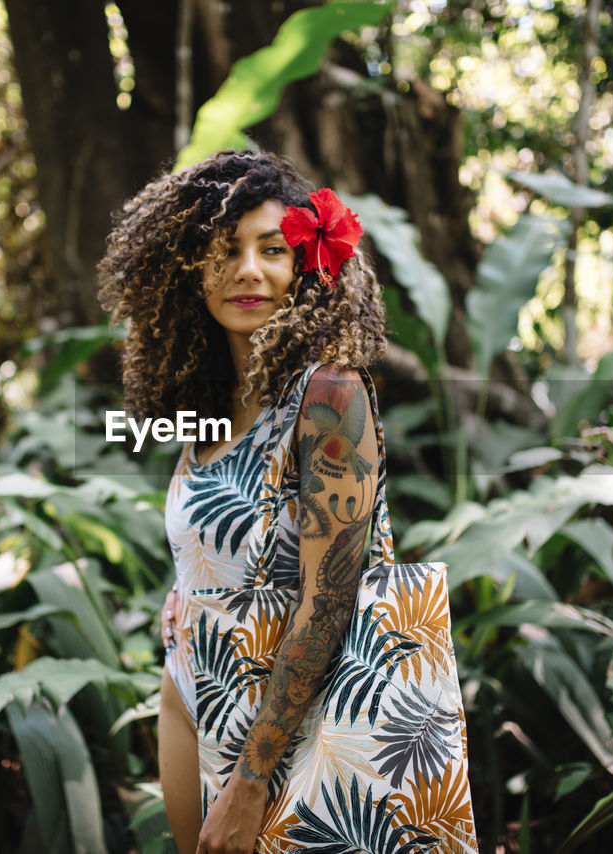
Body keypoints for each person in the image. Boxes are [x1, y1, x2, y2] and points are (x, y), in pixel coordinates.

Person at [97, 150, 391, 854]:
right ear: (188, 270)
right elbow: (217, 537)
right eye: (224, 251)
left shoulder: (329, 395)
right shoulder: (201, 404)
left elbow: (330, 601)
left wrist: (252, 780)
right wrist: (187, 590)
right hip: (189, 696)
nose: (248, 271)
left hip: (289, 729)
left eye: (272, 250)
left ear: (308, 267)